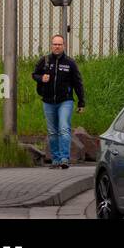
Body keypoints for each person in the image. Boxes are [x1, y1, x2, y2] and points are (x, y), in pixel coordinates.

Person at [32, 33, 85, 169]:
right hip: (48, 101)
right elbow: (34, 74)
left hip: (65, 101)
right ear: (52, 45)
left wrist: (81, 102)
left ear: (64, 46)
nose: (57, 46)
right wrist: (40, 78)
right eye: (55, 44)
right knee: (52, 131)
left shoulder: (70, 63)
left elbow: (78, 83)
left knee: (64, 129)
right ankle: (55, 159)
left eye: (59, 44)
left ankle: (64, 159)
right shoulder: (44, 61)